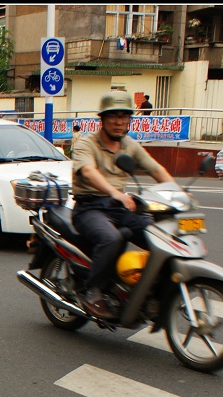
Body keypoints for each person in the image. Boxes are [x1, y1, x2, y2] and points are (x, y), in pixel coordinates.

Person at [71, 91, 175, 319]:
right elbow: (88, 171)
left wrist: (180, 194)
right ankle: (93, 292)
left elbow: (155, 169)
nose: (119, 122)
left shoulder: (129, 145)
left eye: (124, 116)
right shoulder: (86, 143)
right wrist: (115, 192)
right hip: (89, 208)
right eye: (113, 116)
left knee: (162, 237)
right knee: (111, 238)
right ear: (102, 119)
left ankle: (148, 292)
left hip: (119, 207)